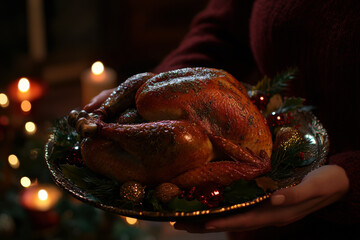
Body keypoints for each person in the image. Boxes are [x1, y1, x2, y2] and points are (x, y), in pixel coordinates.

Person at [84, 0, 360, 238]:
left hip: (309, 194)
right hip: (256, 219)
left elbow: (258, 162)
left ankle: (105, 127)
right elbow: (223, 30)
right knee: (153, 100)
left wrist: (353, 175)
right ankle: (105, 122)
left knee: (189, 141)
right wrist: (142, 92)